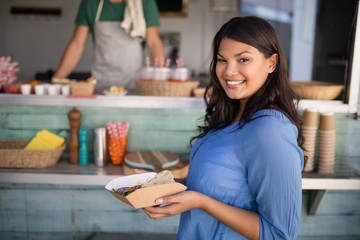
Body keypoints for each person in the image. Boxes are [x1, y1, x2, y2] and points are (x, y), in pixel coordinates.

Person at [143, 16, 305, 240]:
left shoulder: (270, 130)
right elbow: (216, 186)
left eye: (243, 60)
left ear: (271, 63)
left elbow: (279, 234)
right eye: (222, 59)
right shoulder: (230, 117)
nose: (229, 71)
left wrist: (201, 202)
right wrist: (159, 186)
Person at [53, 0, 164, 93]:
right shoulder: (90, 3)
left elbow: (153, 43)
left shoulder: (144, 3)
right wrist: (56, 80)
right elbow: (77, 44)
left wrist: (161, 79)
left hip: (134, 84)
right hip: (101, 83)